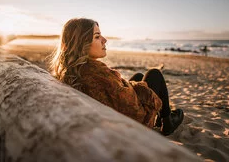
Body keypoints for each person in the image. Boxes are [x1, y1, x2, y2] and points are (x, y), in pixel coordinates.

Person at [50, 18, 184, 136]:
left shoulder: (75, 69)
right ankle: (167, 123)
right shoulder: (96, 74)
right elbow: (131, 109)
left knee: (138, 76)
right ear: (81, 44)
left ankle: (163, 118)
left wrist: (134, 85)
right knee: (154, 74)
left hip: (108, 115)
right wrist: (140, 88)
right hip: (131, 126)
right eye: (97, 37)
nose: (104, 40)